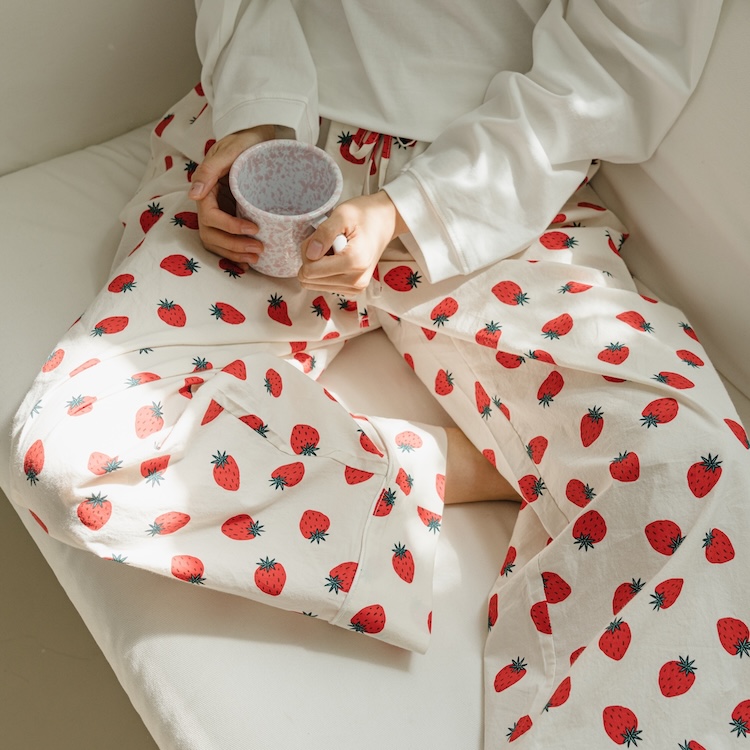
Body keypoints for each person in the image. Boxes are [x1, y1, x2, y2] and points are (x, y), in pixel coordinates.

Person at [10, 0, 750, 745]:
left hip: (500, 196)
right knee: (74, 452)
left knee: (696, 465)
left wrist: (412, 209)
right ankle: (470, 466)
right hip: (270, 172)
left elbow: (620, 60)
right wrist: (256, 119)